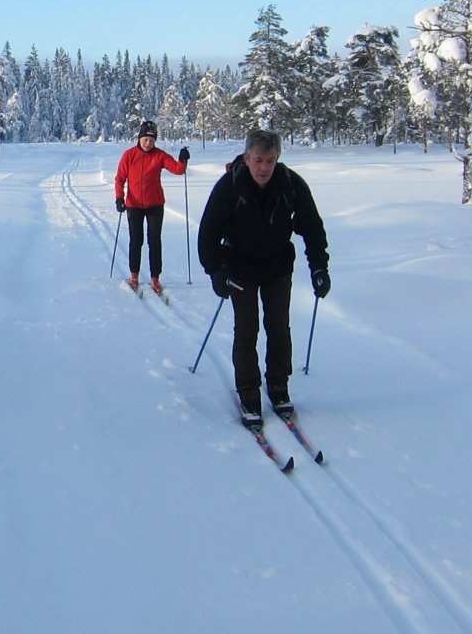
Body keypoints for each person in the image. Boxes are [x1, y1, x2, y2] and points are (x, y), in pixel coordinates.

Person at [197, 128, 330, 427]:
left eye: (270, 160)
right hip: (239, 268)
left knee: (279, 328)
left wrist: (319, 268)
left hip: (277, 266)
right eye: (258, 160)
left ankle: (279, 385)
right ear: (247, 158)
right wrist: (216, 271)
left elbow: (312, 228)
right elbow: (208, 234)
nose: (264, 168)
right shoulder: (229, 186)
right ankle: (248, 393)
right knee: (247, 330)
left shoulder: (291, 184)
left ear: (277, 159)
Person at [114, 120, 189, 294]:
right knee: (136, 241)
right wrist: (119, 198)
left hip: (155, 205)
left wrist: (183, 159)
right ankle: (134, 276)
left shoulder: (159, 155)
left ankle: (155, 278)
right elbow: (120, 178)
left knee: (154, 241)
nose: (148, 143)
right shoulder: (129, 155)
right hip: (133, 205)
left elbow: (178, 170)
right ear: (139, 138)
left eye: (152, 140)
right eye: (145, 139)